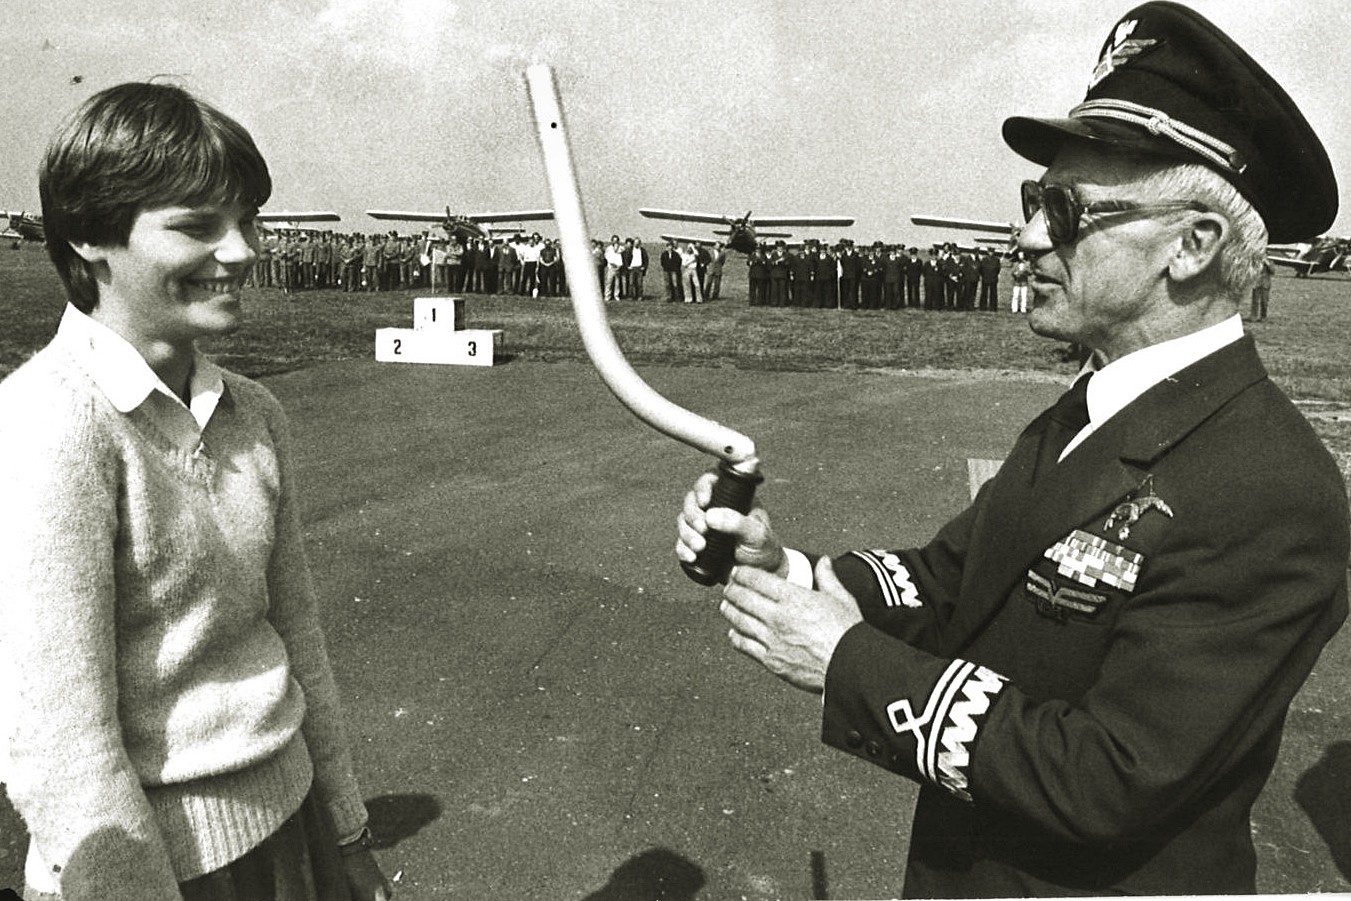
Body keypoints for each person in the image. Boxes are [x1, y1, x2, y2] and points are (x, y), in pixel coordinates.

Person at [675, 4, 1345, 896]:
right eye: (1033, 203)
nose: (1026, 237)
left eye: (1064, 210)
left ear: (1191, 246)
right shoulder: (1094, 404)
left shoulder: (1270, 487)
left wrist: (847, 662)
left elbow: (1110, 776)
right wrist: (790, 571)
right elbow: (955, 581)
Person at [0, 82, 394, 901]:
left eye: (248, 220)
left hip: (295, 830)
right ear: (89, 236)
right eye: (196, 225)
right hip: (150, 870)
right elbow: (56, 741)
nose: (243, 250)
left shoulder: (256, 412)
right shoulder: (48, 423)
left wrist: (348, 831)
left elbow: (298, 637)